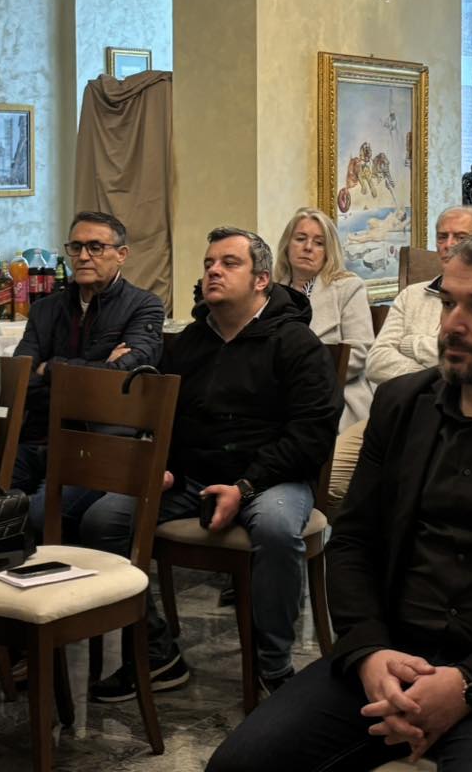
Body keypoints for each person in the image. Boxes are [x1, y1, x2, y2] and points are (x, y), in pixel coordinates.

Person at [207, 232, 472, 772]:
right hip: (396, 651)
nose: (452, 324)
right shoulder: (401, 404)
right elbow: (353, 542)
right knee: (239, 765)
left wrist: (470, 683)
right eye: (448, 303)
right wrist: (370, 652)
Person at [81, 227, 337, 704]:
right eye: (208, 263)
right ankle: (157, 652)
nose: (213, 271)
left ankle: (273, 667)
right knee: (103, 519)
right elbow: (166, 418)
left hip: (271, 478)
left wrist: (246, 486)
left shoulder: (296, 343)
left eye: (229, 263)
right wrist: (162, 463)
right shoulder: (190, 343)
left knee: (277, 528)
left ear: (261, 279)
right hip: (193, 476)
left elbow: (312, 435)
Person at [336, 205, 472, 504]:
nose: (448, 245)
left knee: (413, 488)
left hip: (458, 421)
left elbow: (469, 364)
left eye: (460, 237)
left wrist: (412, 343)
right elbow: (377, 363)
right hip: (397, 413)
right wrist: (434, 368)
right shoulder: (412, 295)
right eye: (442, 237)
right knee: (330, 477)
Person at [13, 210, 165, 494]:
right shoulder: (45, 309)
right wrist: (98, 369)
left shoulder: (144, 306)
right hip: (37, 438)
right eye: (76, 247)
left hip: (98, 443)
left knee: (39, 511)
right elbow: (21, 379)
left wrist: (51, 367)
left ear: (121, 254)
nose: (83, 256)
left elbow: (122, 379)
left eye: (95, 247)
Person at [273, 207, 374, 429]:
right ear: (287, 245)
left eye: (319, 243)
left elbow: (360, 351)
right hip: (275, 395)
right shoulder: (270, 291)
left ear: (328, 252)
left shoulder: (348, 287)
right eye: (300, 239)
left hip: (334, 394)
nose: (308, 247)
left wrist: (303, 378)